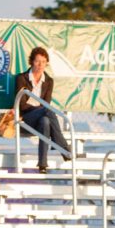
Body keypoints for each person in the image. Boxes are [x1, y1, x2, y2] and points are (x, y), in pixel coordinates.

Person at [13, 46, 71, 174]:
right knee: (47, 112)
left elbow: (47, 103)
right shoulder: (21, 78)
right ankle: (64, 147)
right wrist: (38, 108)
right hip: (26, 117)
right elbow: (22, 106)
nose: (40, 65)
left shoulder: (49, 81)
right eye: (37, 61)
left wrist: (41, 109)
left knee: (45, 121)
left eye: (44, 62)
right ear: (31, 61)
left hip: (41, 115)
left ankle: (43, 164)